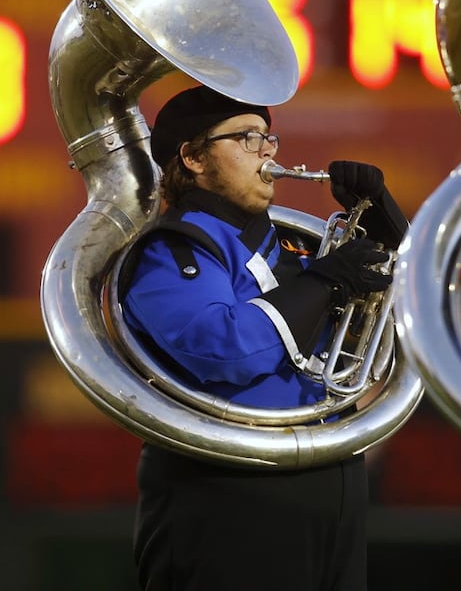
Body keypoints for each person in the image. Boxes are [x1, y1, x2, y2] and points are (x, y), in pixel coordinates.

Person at [121, 84, 409, 591]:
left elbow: (393, 312)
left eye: (269, 138)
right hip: (230, 492)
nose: (267, 152)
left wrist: (384, 227)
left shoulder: (293, 247)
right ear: (193, 158)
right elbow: (222, 348)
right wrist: (322, 282)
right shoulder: (172, 248)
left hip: (329, 480)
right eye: (247, 138)